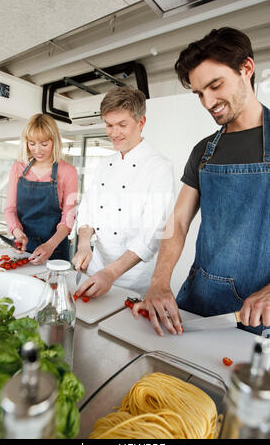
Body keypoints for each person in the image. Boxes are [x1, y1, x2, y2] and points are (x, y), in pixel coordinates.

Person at [132, 27, 270, 336]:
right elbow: (178, 222)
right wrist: (159, 281)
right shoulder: (204, 151)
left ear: (246, 68)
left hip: (258, 319)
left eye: (215, 85)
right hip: (196, 303)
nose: (208, 102)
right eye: (199, 93)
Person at [72, 86, 174, 298]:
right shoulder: (103, 164)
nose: (114, 133)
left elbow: (151, 234)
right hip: (94, 269)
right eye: (109, 125)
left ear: (141, 122)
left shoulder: (159, 167)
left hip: (131, 280)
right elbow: (87, 211)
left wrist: (111, 273)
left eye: (122, 125)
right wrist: (83, 246)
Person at [4, 113, 78, 264]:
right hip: (24, 246)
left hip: (55, 247)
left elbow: (69, 217)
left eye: (44, 144)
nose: (37, 150)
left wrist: (50, 245)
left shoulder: (68, 171)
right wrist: (18, 234)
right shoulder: (18, 168)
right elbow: (10, 209)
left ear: (55, 141)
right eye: (32, 143)